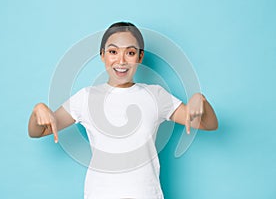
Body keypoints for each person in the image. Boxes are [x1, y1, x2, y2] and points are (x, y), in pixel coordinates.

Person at [28, 22, 218, 199]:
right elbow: (39, 130)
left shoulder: (156, 95)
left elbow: (207, 124)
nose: (121, 61)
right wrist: (38, 110)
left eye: (130, 53)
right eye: (113, 51)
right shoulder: (86, 97)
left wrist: (200, 100)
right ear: (102, 55)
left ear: (140, 57)